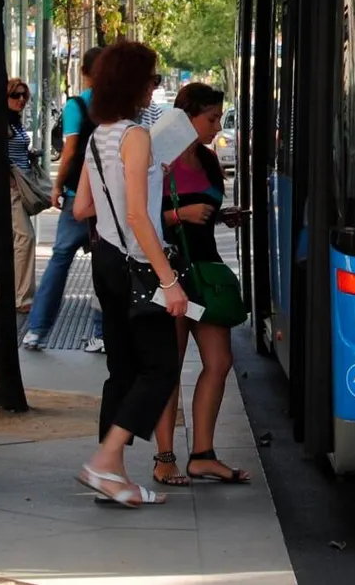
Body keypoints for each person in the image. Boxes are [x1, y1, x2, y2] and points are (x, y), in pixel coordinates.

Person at [72, 40, 187, 508]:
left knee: (121, 369)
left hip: (106, 263)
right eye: (152, 78)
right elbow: (139, 216)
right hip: (140, 265)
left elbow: (81, 206)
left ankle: (112, 474)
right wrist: (168, 279)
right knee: (161, 368)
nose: (154, 86)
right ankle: (106, 458)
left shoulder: (99, 134)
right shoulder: (135, 137)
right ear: (136, 84)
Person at [148, 83, 251, 487]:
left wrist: (220, 215)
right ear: (186, 116)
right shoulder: (159, 160)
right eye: (209, 119)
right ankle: (164, 457)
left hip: (206, 273)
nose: (215, 126)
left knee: (219, 361)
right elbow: (138, 216)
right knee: (168, 367)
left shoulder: (208, 161)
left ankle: (203, 454)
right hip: (170, 275)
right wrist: (179, 216)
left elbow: (199, 212)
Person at [25, 46, 106, 352]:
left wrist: (58, 187)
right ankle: (101, 332)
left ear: (85, 73)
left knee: (60, 259)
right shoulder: (120, 107)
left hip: (78, 196)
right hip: (108, 200)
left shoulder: (78, 106)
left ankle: (37, 330)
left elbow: (71, 151)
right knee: (103, 265)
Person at [7, 77, 38, 312]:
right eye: (15, 95)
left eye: (23, 96)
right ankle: (22, 298)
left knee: (19, 238)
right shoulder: (2, 122)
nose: (20, 100)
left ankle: (20, 295)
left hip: (21, 183)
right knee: (25, 237)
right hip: (12, 187)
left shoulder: (15, 121)